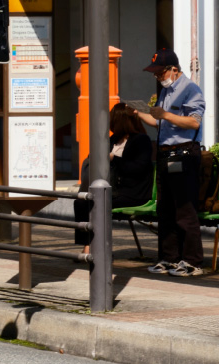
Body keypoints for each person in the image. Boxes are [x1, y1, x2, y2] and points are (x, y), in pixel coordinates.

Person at [135, 48, 207, 277]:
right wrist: (137, 113)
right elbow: (161, 124)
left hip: (185, 154)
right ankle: (169, 258)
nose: (157, 77)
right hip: (166, 154)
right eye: (155, 74)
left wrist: (164, 115)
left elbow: (194, 123)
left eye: (160, 73)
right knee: (165, 210)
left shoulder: (190, 89)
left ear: (173, 69)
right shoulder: (166, 92)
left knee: (185, 211)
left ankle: (193, 262)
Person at [74, 102, 154, 252]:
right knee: (81, 202)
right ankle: (87, 244)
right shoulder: (112, 140)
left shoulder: (141, 140)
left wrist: (114, 159)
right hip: (113, 188)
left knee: (96, 203)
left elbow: (138, 169)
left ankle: (93, 247)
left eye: (113, 119)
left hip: (132, 192)